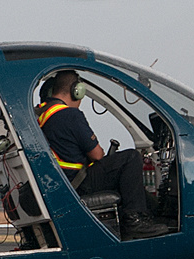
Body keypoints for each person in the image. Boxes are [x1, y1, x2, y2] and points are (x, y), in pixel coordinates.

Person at [35, 71, 163, 240]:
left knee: (133, 187)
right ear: (77, 91)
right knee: (130, 158)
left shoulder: (42, 114)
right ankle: (134, 221)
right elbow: (97, 155)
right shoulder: (70, 115)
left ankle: (156, 214)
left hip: (63, 182)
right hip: (78, 183)